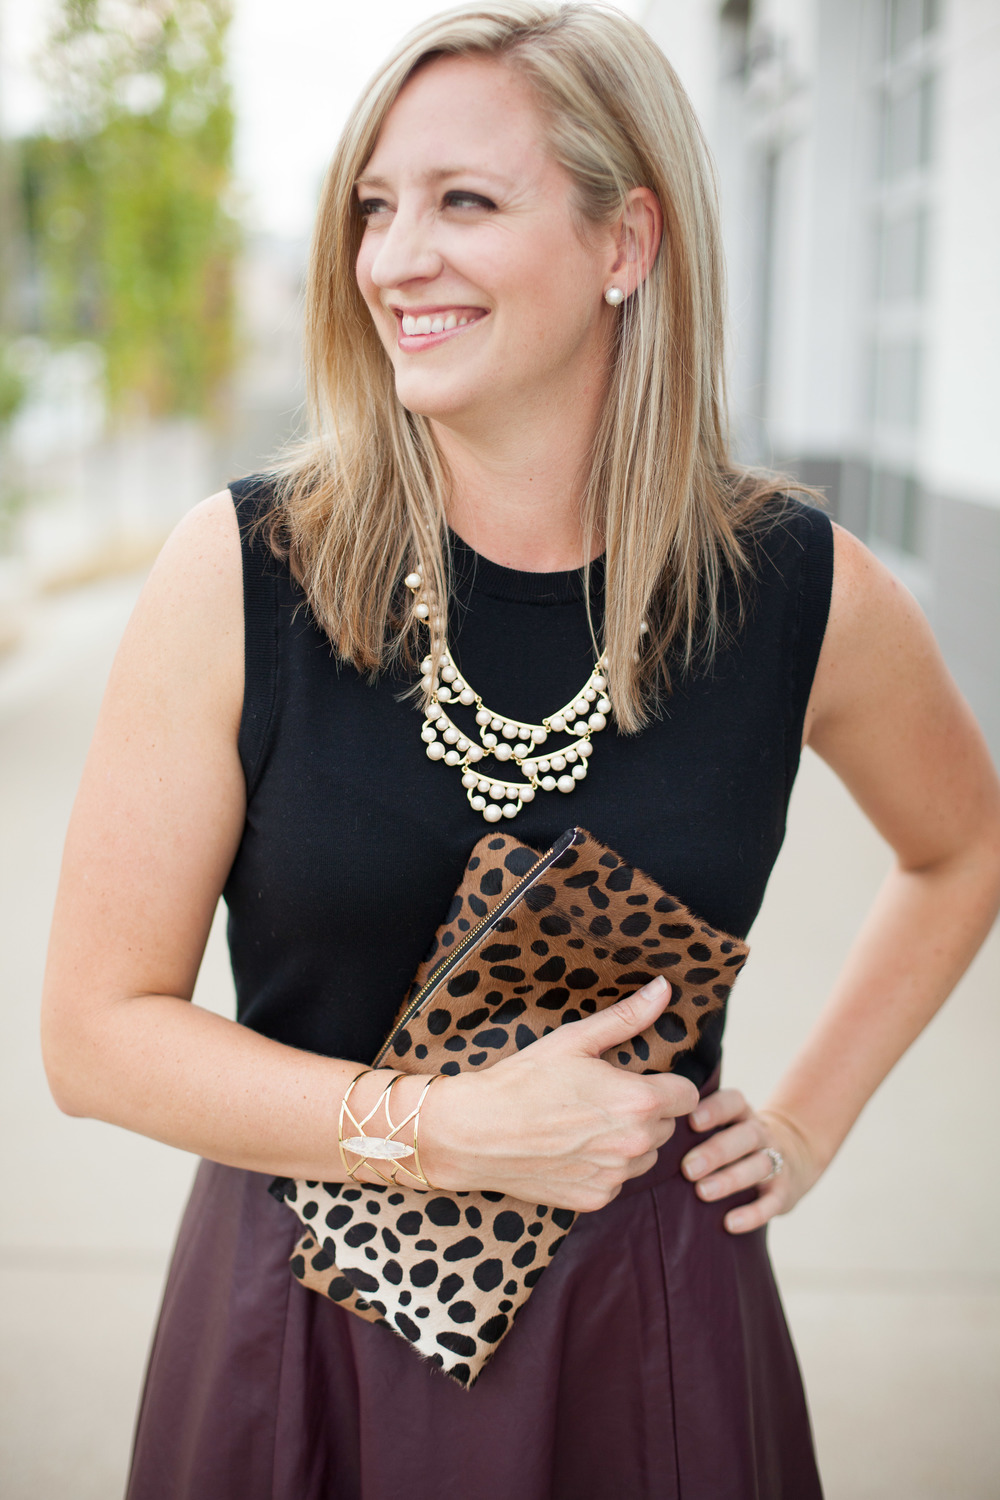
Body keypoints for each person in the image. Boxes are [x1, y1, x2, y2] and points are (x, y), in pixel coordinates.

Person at [41, 4, 1000, 1497]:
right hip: (303, 1334)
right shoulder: (243, 572)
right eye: (375, 204)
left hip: (654, 1335)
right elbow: (92, 1033)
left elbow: (963, 845)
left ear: (626, 244)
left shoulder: (798, 589)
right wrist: (439, 1132)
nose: (393, 258)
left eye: (464, 201)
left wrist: (809, 1118)